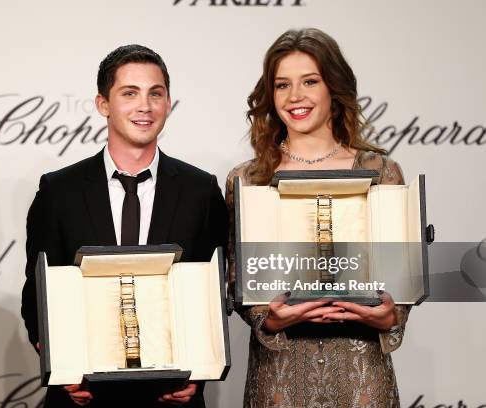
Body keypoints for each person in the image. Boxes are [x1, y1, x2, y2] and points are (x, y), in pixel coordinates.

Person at [21, 44, 228, 407]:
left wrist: (197, 376)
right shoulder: (59, 190)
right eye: (129, 93)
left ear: (168, 103)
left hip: (172, 396)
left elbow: (210, 295)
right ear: (103, 104)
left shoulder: (201, 190)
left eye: (156, 93)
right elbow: (38, 293)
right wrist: (64, 370)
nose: (144, 106)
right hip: (83, 396)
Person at [226, 28, 410, 407]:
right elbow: (237, 283)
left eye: (310, 81)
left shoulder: (382, 172)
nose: (295, 97)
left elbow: (401, 279)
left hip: (361, 376)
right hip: (279, 376)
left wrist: (391, 317)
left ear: (334, 88)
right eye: (282, 85)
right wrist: (270, 320)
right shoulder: (248, 180)